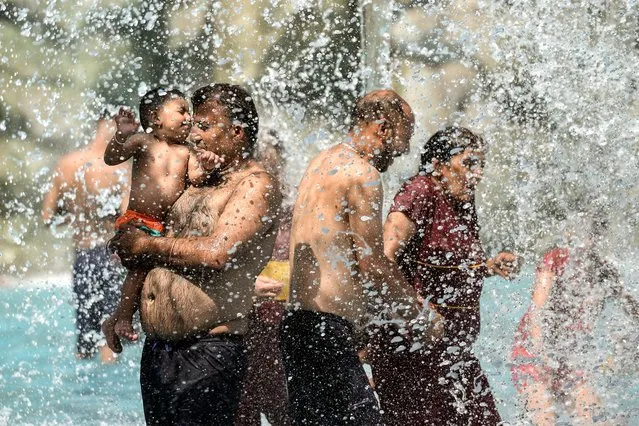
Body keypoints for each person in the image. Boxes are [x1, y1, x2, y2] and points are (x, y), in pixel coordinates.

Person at [108, 83, 282, 425]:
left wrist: (142, 246)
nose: (195, 135)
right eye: (193, 124)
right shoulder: (196, 180)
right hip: (159, 351)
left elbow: (217, 253)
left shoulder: (253, 184)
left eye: (204, 126)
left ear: (236, 133)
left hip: (208, 350)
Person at [281, 89, 430, 425]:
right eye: (404, 138)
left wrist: (360, 322)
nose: (403, 150)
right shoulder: (362, 173)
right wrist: (419, 315)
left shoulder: (322, 162)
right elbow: (372, 263)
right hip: (325, 328)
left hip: (299, 324)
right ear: (382, 127)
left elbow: (339, 254)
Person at [371, 126, 518, 425]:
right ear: (438, 165)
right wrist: (419, 311)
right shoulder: (420, 191)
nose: (477, 174)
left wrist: (487, 267)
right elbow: (381, 260)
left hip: (453, 352)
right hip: (414, 351)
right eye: (469, 164)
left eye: (481, 166)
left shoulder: (462, 201)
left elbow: (440, 264)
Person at [101, 88, 216, 351]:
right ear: (156, 118)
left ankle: (117, 318)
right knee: (139, 269)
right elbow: (112, 158)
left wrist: (208, 163)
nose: (189, 118)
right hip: (137, 222)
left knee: (148, 273)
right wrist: (121, 135)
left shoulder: (187, 151)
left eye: (190, 112)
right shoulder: (143, 142)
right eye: (182, 111)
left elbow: (197, 178)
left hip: (161, 229)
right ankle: (123, 319)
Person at [511, 213, 639, 425]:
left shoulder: (604, 271)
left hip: (569, 358)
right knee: (545, 420)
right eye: (582, 234)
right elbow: (537, 312)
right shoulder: (554, 260)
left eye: (592, 235)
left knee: (598, 420)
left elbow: (632, 309)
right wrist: (539, 354)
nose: (587, 241)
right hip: (532, 353)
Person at [41, 111, 128, 363]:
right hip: (111, 257)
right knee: (110, 340)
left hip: (83, 257)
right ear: (111, 128)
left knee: (85, 341)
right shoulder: (119, 167)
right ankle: (106, 400)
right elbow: (126, 218)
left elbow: (48, 217)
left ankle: (82, 397)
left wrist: (75, 216)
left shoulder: (67, 163)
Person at [236, 128, 292, 426]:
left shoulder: (294, 216)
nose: (272, 176)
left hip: (281, 334)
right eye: (265, 168)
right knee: (243, 414)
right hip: (243, 333)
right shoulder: (238, 214)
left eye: (277, 167)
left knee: (286, 412)